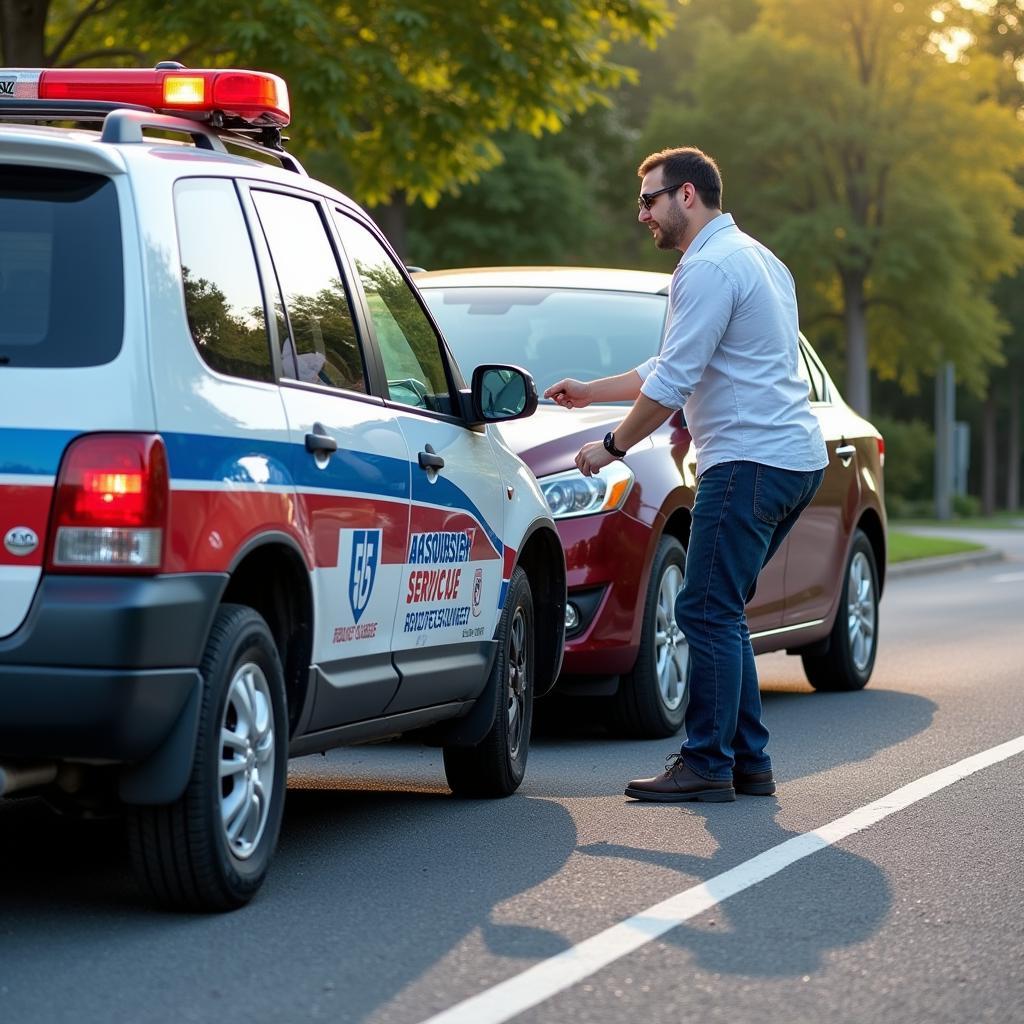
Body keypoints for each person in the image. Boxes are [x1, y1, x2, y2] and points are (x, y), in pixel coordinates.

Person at [544, 147, 828, 802]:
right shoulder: (757, 259)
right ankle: (748, 762)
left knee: (702, 607)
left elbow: (674, 381)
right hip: (790, 461)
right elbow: (671, 361)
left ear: (688, 196)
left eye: (649, 199)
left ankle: (706, 763)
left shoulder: (706, 269)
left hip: (750, 461)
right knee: (719, 609)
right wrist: (593, 391)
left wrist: (610, 446)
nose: (640, 212)